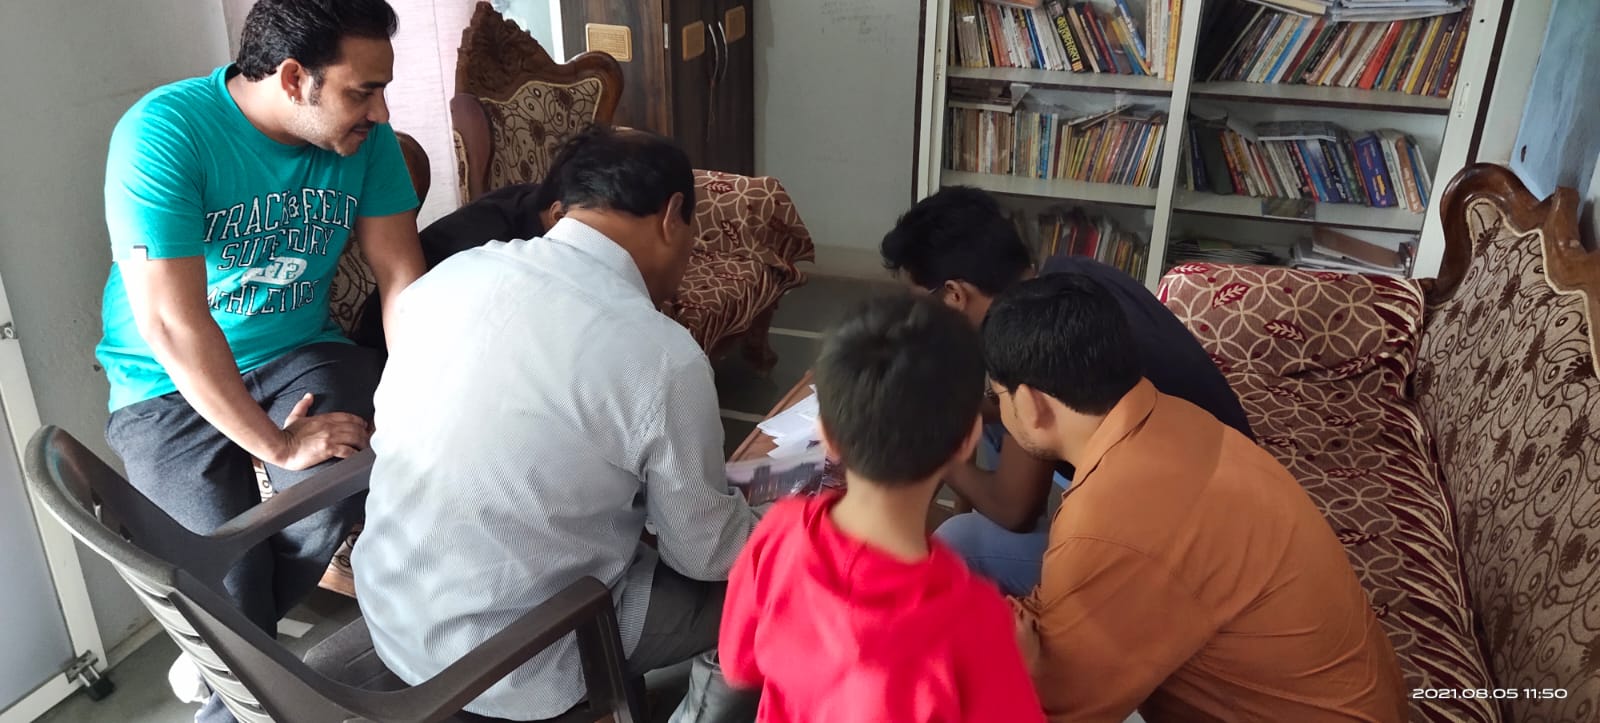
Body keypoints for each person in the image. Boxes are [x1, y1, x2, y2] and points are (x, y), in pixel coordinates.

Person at [353, 126, 757, 721]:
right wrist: (775, 523)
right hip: (520, 659)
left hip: (393, 612)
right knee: (764, 593)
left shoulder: (450, 276)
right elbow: (703, 554)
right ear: (673, 215)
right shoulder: (662, 354)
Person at [95, 1, 422, 720]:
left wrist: (418, 399)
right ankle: (228, 673)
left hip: (299, 351)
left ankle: (220, 658)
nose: (380, 111)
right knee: (222, 572)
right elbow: (172, 323)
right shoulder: (164, 131)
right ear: (295, 78)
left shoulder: (368, 142)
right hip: (162, 382)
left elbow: (401, 275)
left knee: (337, 486)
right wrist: (276, 444)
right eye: (362, 91)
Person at [985, 273, 1408, 722]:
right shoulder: (1168, 416)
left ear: (1030, 403)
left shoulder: (1108, 522)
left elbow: (1049, 709)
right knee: (971, 550)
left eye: (996, 396)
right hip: (1359, 701)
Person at [879, 186, 1253, 596]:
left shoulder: (1029, 341)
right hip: (1228, 474)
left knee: (959, 541)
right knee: (991, 417)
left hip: (1196, 551)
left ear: (954, 295)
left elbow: (1013, 511)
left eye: (920, 303)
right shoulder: (1066, 277)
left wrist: (934, 452)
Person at [718, 295, 1046, 723]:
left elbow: (737, 664)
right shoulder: (978, 622)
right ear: (968, 438)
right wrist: (1025, 669)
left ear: (827, 437)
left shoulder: (777, 534)